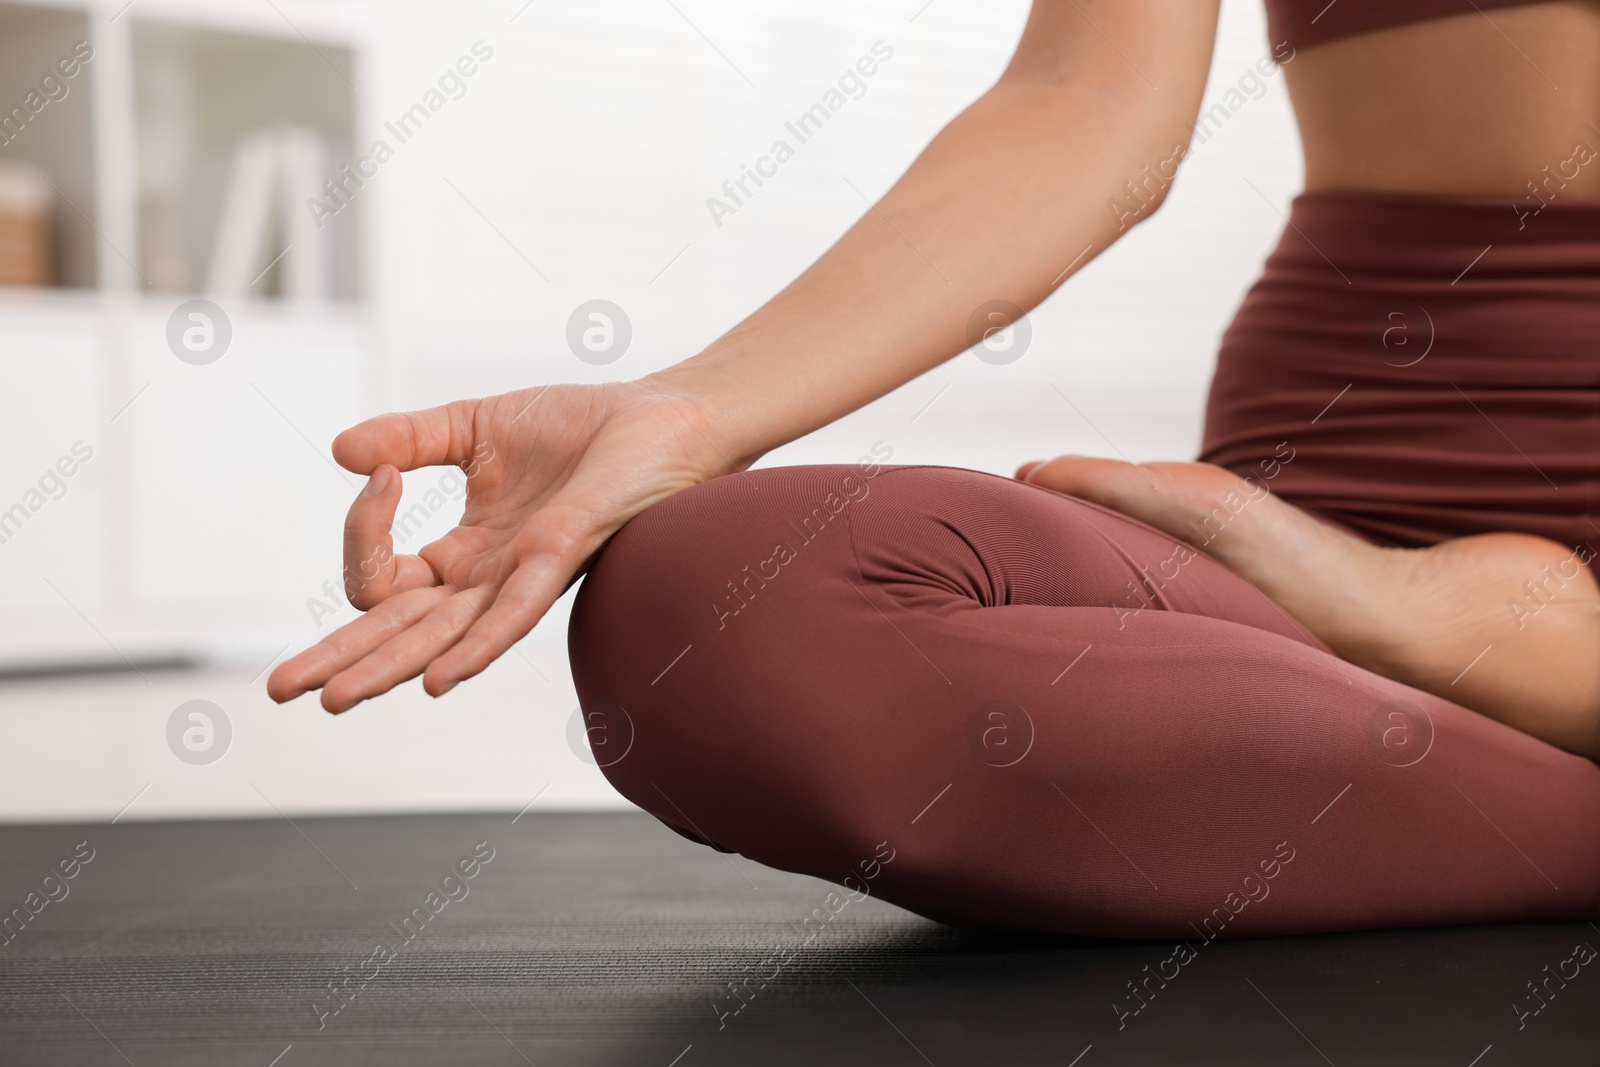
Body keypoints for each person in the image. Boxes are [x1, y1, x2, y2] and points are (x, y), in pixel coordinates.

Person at [268, 1, 1600, 937]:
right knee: (713, 604)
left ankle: (1490, 672)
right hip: (1311, 511)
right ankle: (1464, 699)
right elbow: (1087, 102)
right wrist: (693, 408)